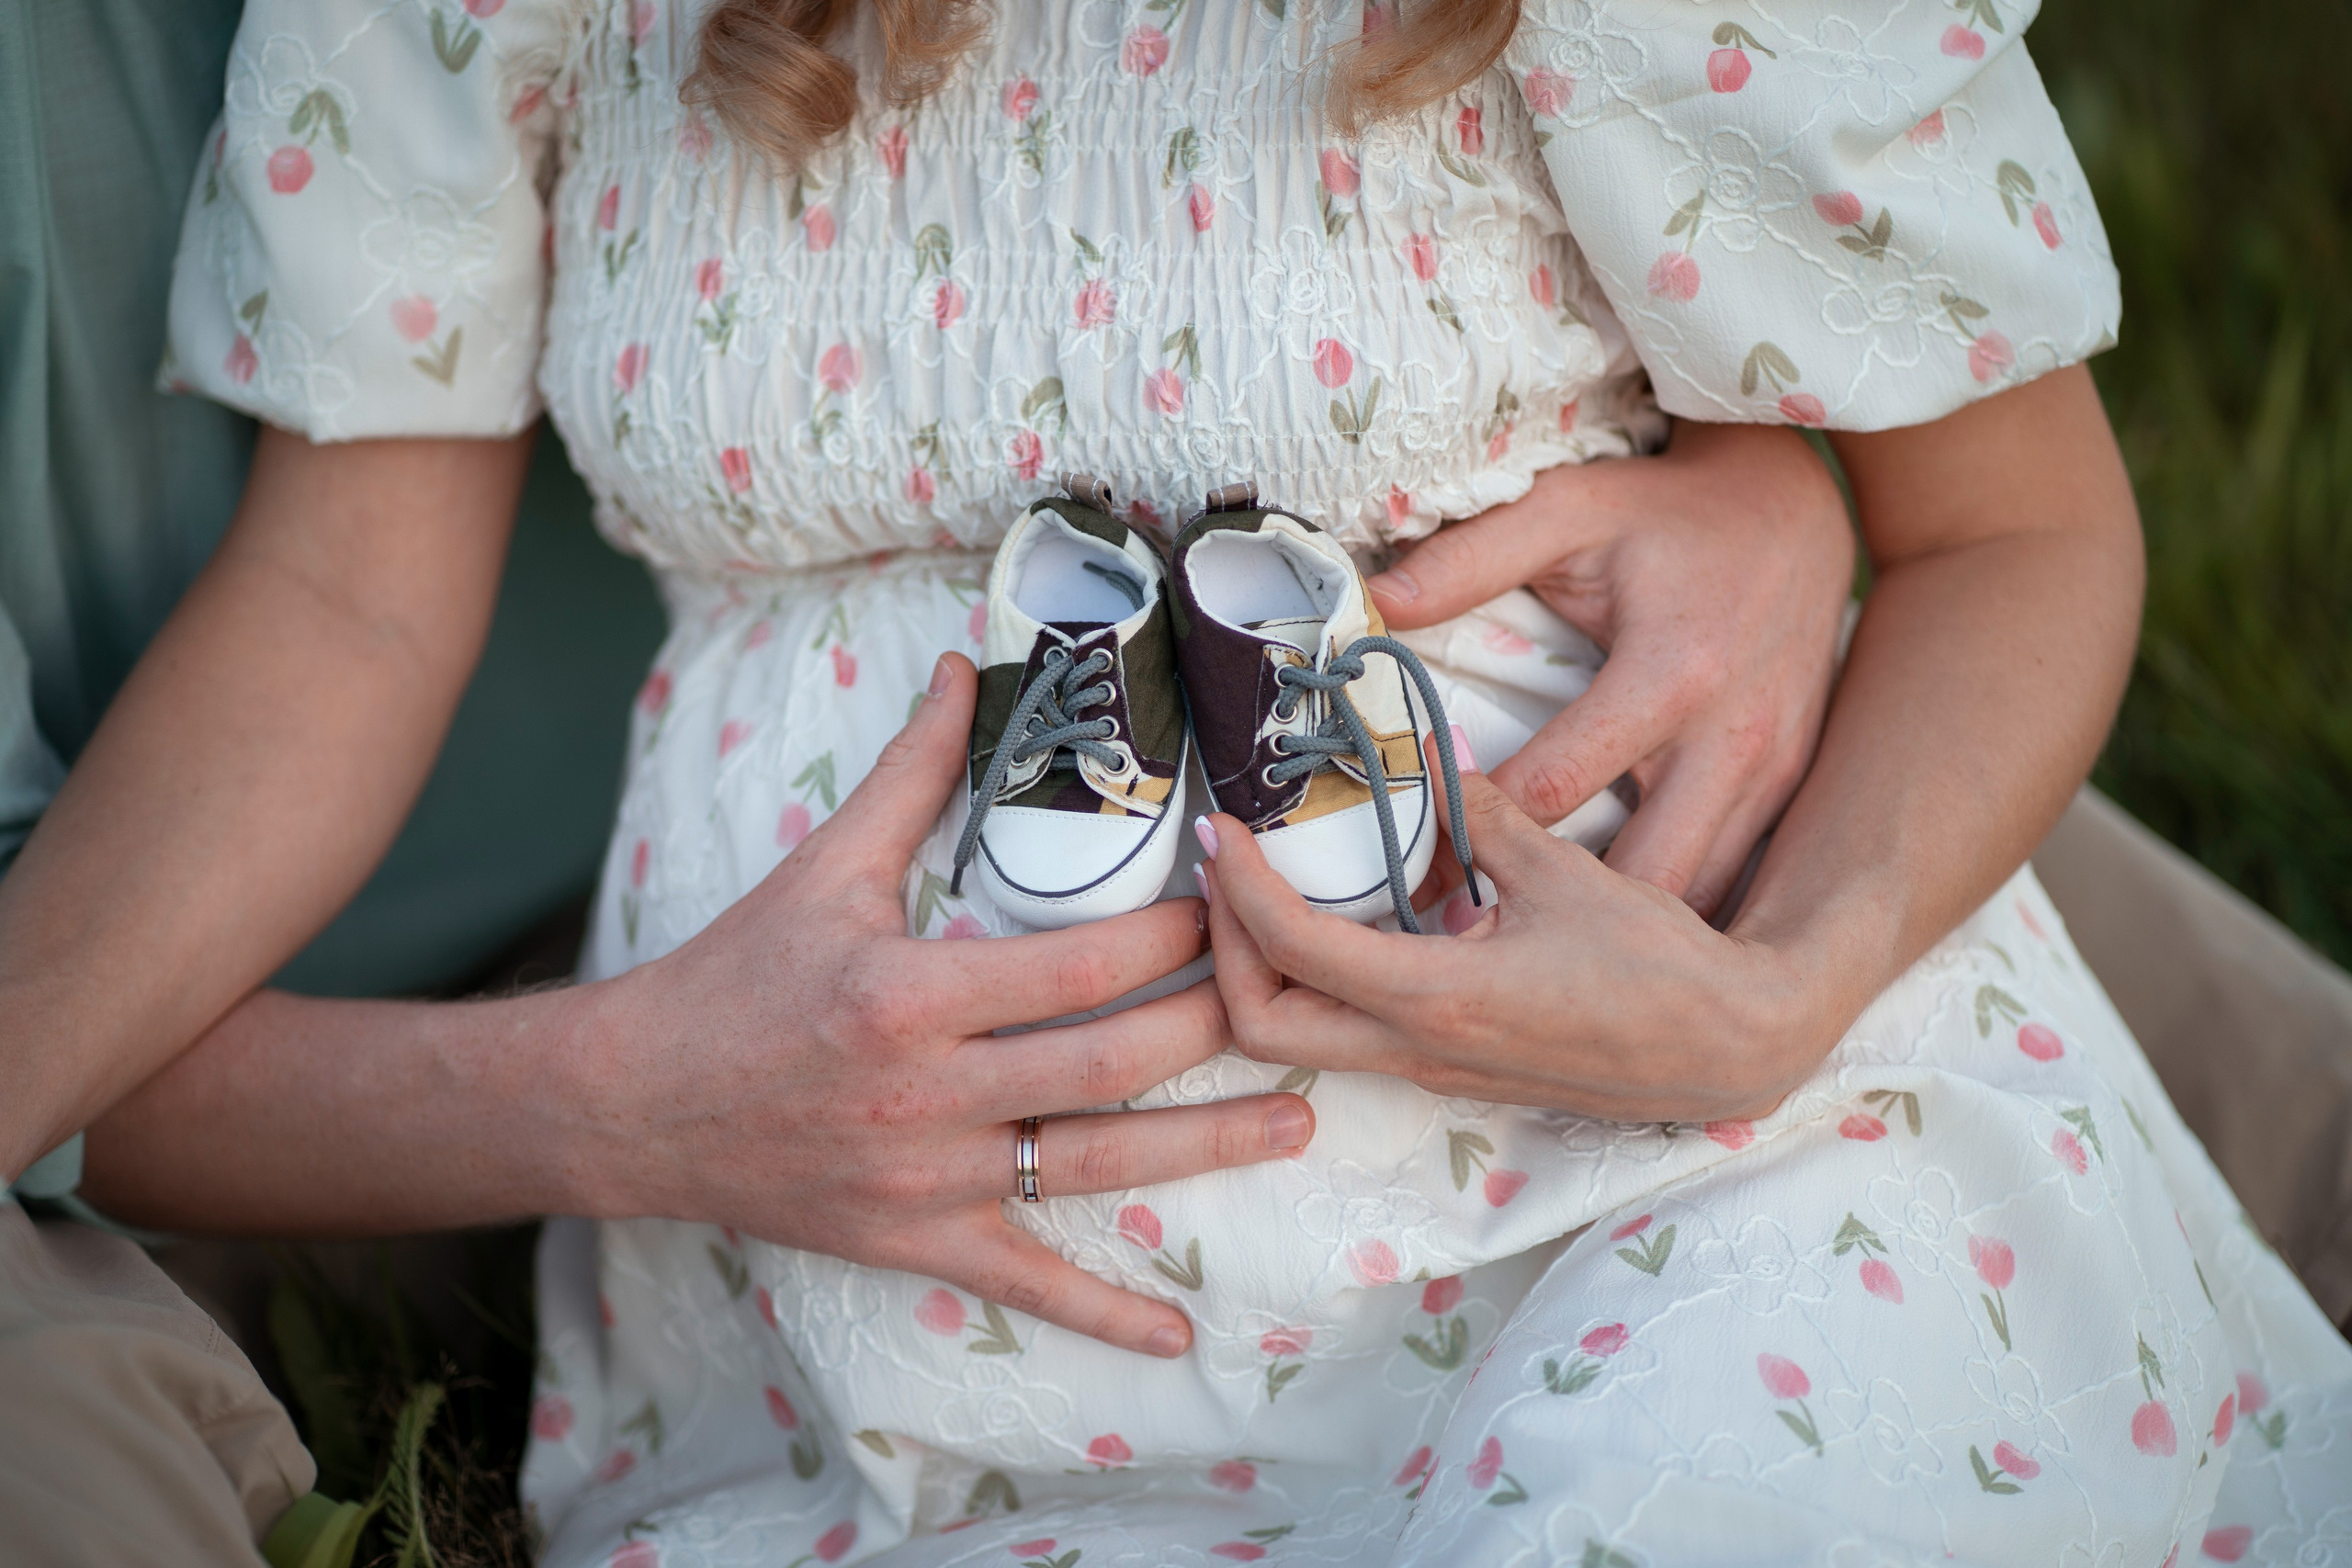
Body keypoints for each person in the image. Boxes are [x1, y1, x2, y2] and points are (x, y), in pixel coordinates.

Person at [3, 1, 2345, 1564]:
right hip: (893, 1342)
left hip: (1657, 1193)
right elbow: (341, 611)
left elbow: (2016, 532)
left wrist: (1774, 998)